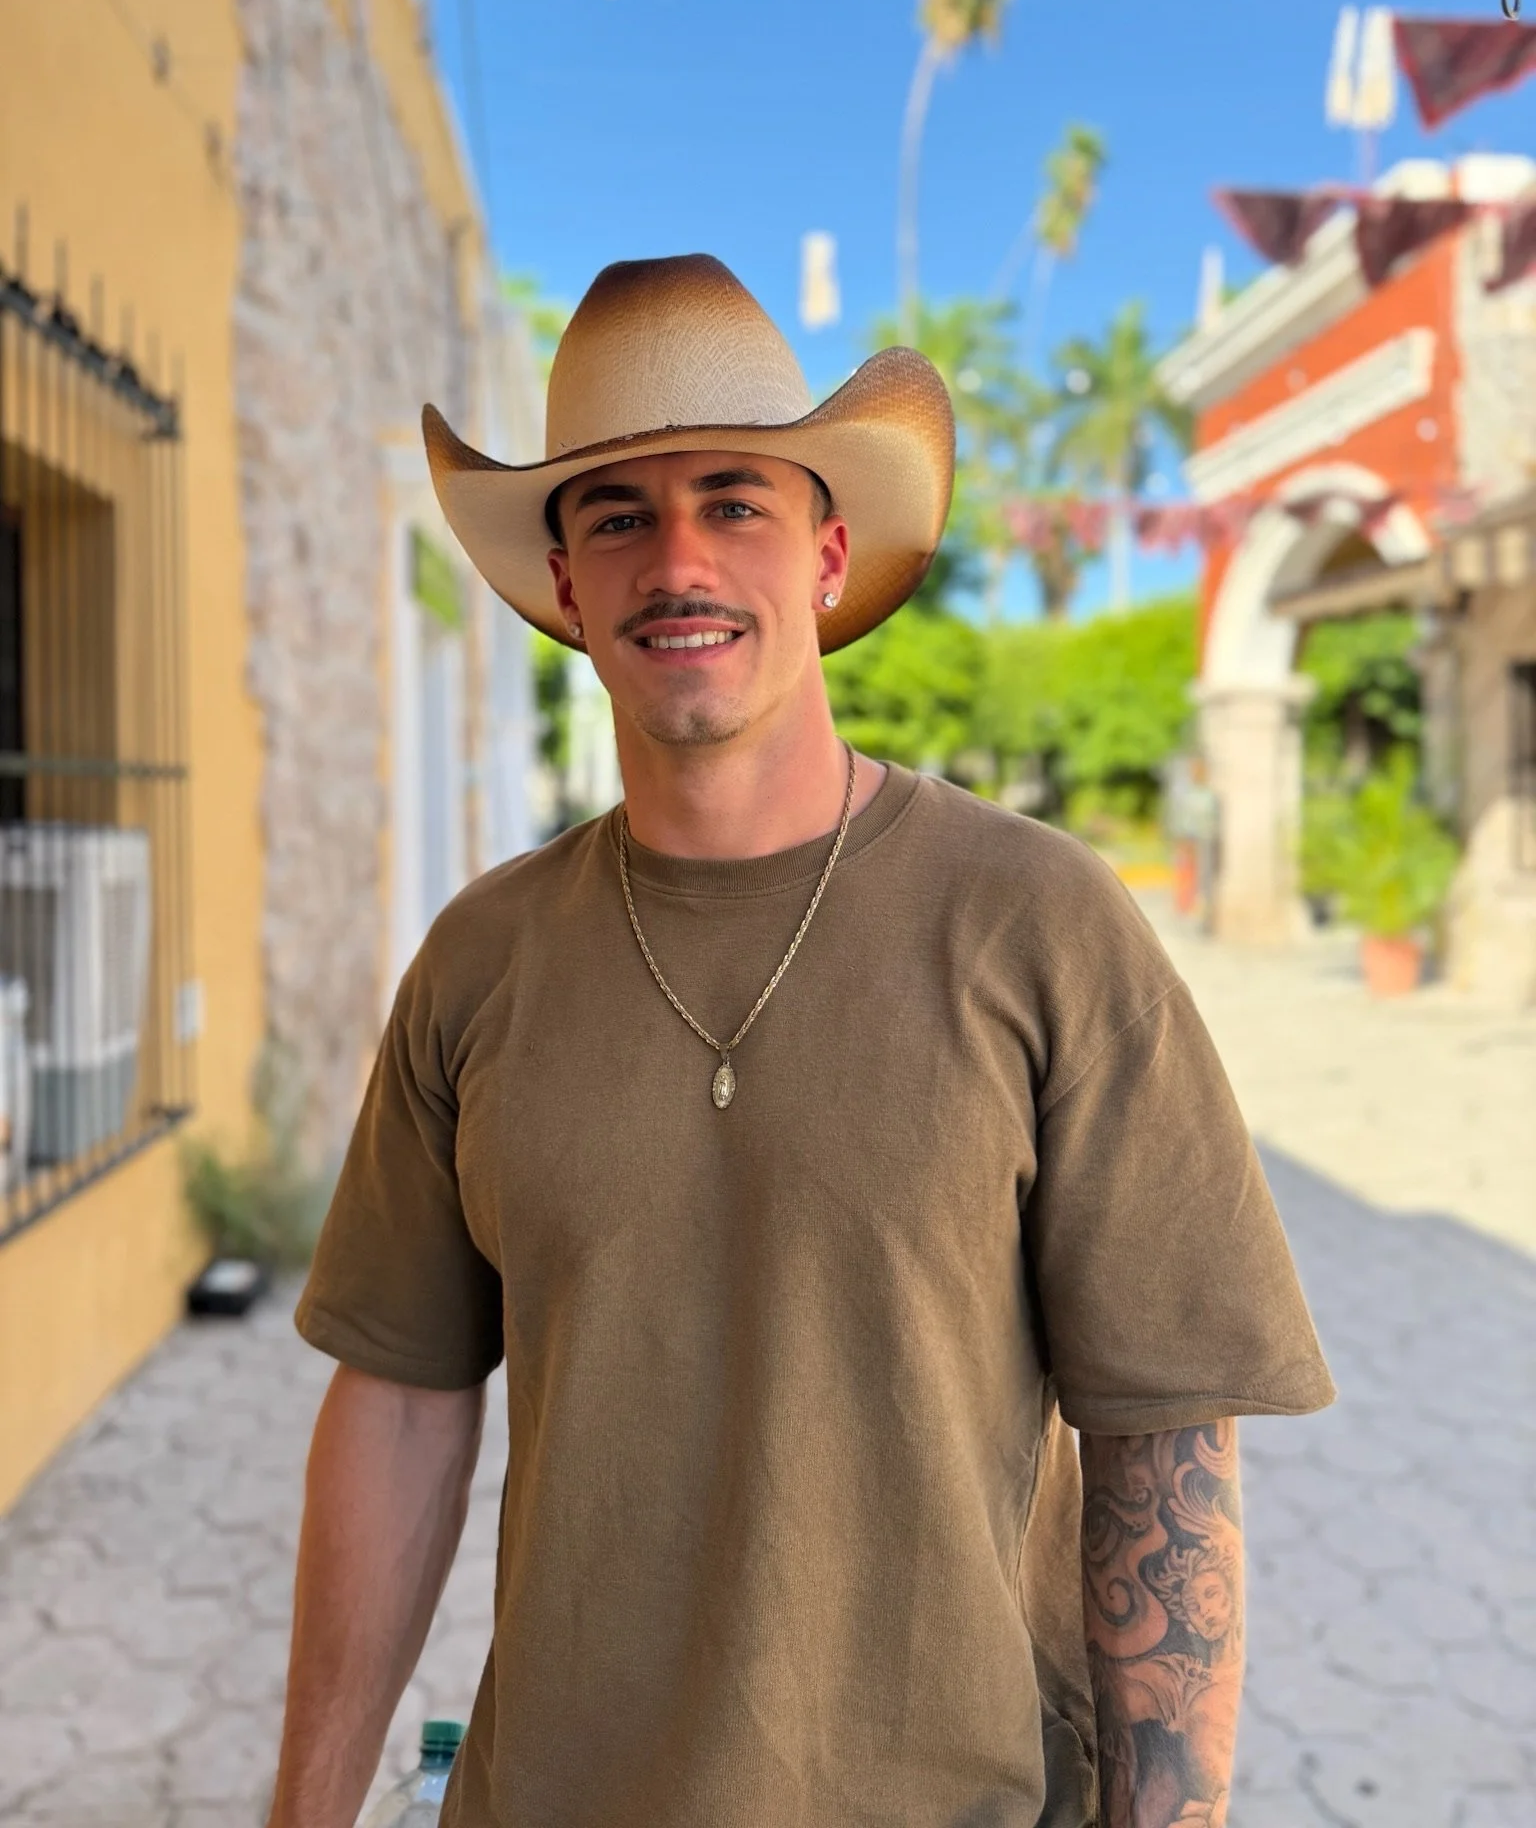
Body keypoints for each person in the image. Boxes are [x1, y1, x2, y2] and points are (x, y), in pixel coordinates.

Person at [267, 254, 1334, 1828]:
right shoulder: (479, 963)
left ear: (829, 556)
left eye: (734, 502)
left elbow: (1164, 1442)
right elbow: (404, 1402)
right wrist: (305, 1812)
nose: (677, 557)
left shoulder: (1039, 925)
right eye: (617, 514)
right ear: (564, 585)